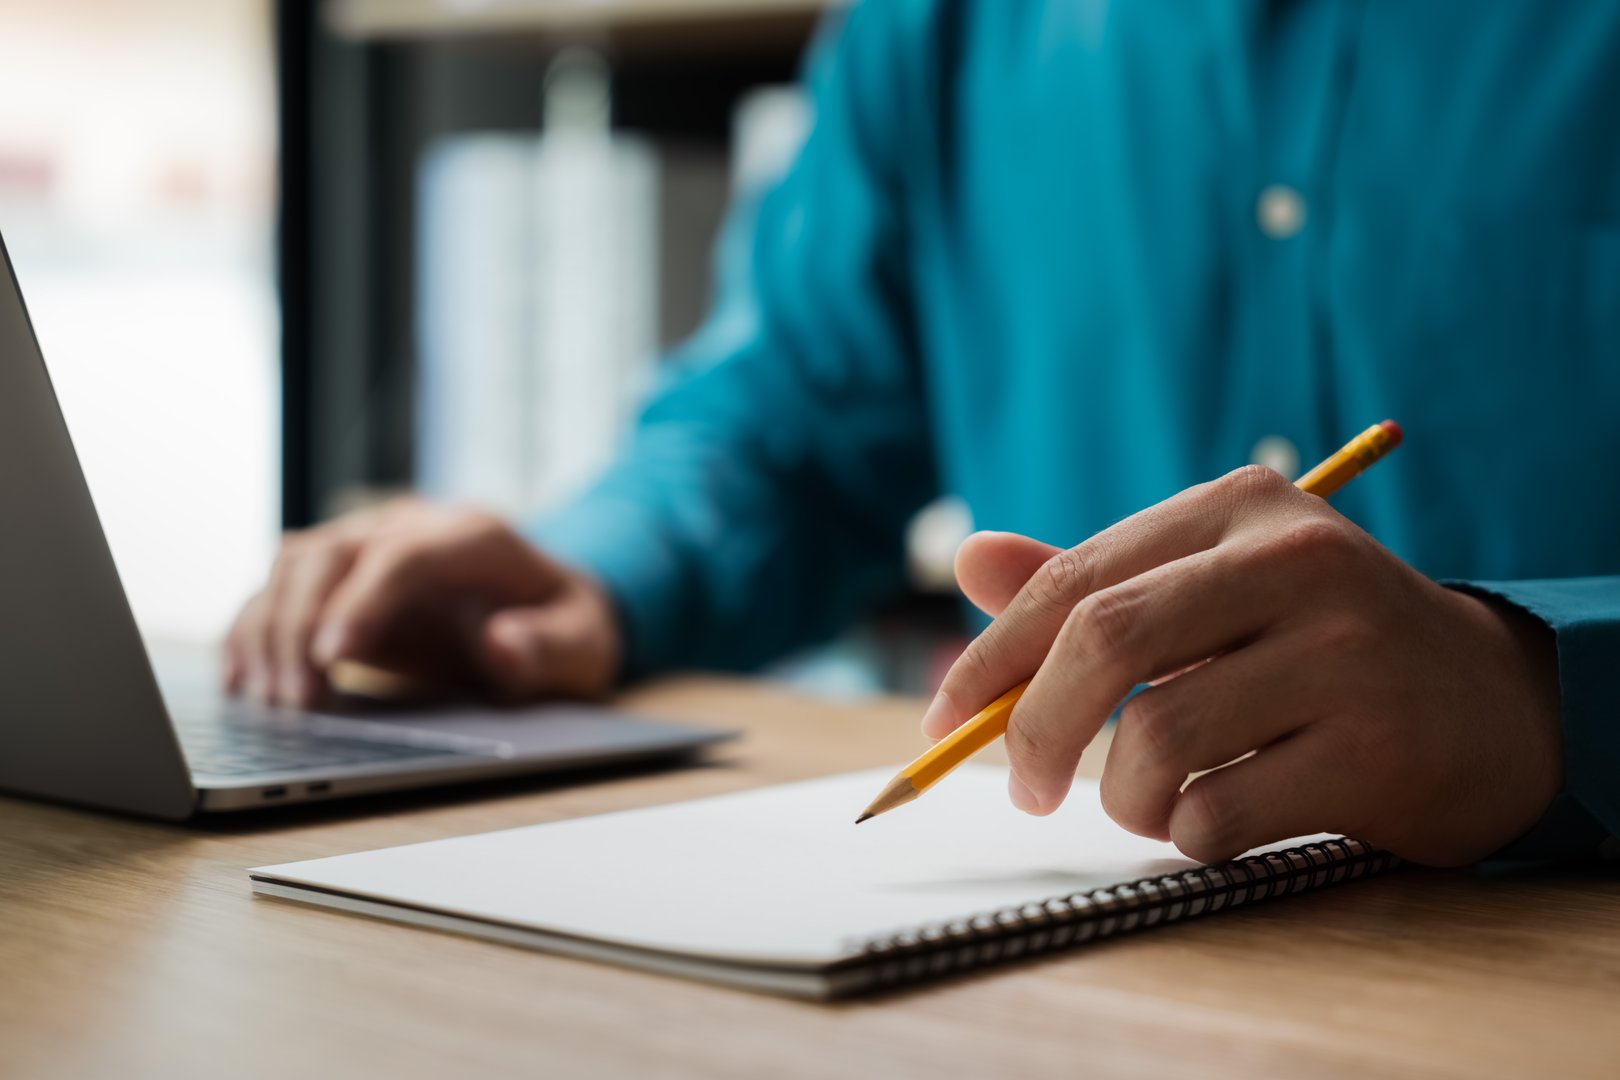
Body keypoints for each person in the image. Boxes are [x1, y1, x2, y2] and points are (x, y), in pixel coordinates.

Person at [225, 1, 1620, 866]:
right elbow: (789, 421)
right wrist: (590, 574)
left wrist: (1549, 694)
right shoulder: (942, 18)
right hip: (1100, 953)